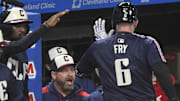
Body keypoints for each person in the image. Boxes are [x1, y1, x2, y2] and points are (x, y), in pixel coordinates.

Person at [76, 2, 179, 101]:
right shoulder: (147, 43)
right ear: (135, 22)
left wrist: (102, 47)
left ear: (114, 22)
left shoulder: (99, 46)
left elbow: (79, 71)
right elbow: (162, 73)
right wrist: (173, 98)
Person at [0, 6, 69, 101]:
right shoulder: (3, 48)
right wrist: (46, 26)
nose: (23, 30)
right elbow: (20, 45)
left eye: (25, 26)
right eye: (18, 25)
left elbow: (23, 88)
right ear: (5, 27)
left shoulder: (22, 52)